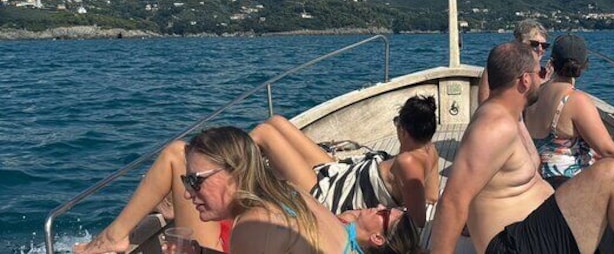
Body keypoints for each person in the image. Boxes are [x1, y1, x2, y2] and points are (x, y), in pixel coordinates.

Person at [429, 41, 614, 254]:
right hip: (517, 245)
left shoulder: (511, 117)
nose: (545, 77)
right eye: (540, 73)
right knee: (611, 173)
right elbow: (452, 201)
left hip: (543, 232)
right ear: (524, 81)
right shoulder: (493, 126)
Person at [184, 125, 424, 254]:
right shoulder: (290, 193)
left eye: (195, 181)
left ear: (235, 173)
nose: (188, 192)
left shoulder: (252, 226)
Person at [523, 34, 614, 206]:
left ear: (552, 62)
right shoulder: (575, 100)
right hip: (569, 189)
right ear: (585, 65)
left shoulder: (536, 94)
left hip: (541, 183)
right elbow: (608, 150)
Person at [250, 95, 439, 228]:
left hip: (330, 194)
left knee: (264, 133)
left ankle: (224, 167)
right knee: (277, 121)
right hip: (342, 174)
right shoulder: (431, 152)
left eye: (397, 122)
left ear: (404, 131)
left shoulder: (407, 161)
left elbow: (418, 220)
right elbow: (431, 196)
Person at [73, 139, 229, 254]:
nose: (188, 194)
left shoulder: (248, 225)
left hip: (218, 243)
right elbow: (241, 153)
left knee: (177, 154)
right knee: (180, 153)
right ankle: (170, 201)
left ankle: (113, 236)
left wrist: (199, 251)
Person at [478, 19, 549, 103]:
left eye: (544, 45)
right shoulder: (499, 66)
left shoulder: (545, 73)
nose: (540, 49)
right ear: (520, 42)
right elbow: (484, 102)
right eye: (534, 44)